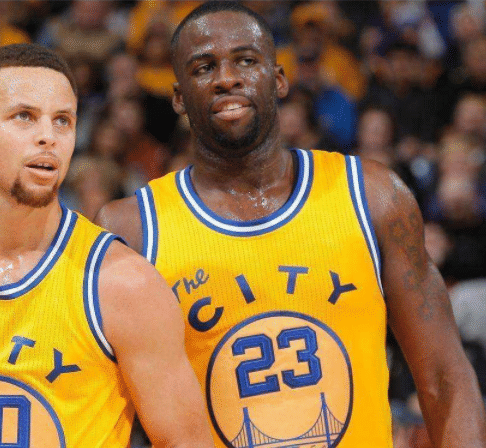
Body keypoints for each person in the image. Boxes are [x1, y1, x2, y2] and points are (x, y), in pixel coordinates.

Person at [96, 2, 486, 447]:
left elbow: (444, 377)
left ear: (279, 79)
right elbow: (109, 417)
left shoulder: (373, 196)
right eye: (204, 68)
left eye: (246, 61)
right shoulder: (130, 229)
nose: (226, 78)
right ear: (179, 97)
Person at [0, 43, 213, 448]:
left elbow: (186, 441)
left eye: (63, 121)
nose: (48, 136)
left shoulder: (125, 285)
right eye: (24, 116)